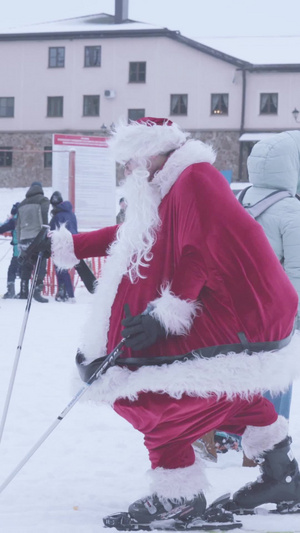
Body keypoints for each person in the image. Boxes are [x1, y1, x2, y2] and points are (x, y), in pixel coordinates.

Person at [35, 118, 300, 528]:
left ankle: (180, 498)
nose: (126, 172)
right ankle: (282, 473)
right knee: (216, 390)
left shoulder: (194, 178)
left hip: (245, 312)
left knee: (148, 390)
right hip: (243, 307)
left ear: (150, 154)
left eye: (129, 162)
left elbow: (201, 250)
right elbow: (132, 234)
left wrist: (166, 314)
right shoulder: (171, 184)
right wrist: (67, 245)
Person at [16, 181, 50, 303]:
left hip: (24, 237)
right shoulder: (43, 200)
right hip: (37, 237)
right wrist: (45, 236)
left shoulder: (22, 204)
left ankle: (23, 290)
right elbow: (44, 220)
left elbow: (18, 225)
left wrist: (20, 240)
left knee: (26, 264)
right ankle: (36, 290)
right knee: (40, 264)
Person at [49, 191, 78, 302]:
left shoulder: (57, 216)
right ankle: (66, 293)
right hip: (74, 242)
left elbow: (52, 231)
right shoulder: (71, 214)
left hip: (62, 244)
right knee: (69, 268)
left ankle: (67, 294)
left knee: (61, 268)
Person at [0, 202, 20, 299]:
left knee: (12, 270)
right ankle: (25, 291)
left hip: (18, 250)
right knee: (26, 271)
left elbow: (2, 228)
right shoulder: (28, 217)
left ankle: (11, 291)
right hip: (30, 249)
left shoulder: (14, 219)